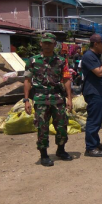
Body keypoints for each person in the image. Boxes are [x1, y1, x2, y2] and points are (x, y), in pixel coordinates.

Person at [23, 33, 73, 167]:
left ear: (54, 44)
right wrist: (26, 100)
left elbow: (66, 79)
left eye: (49, 43)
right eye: (44, 42)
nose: (47, 45)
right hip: (40, 98)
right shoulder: (33, 61)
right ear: (40, 43)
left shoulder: (61, 61)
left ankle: (61, 150)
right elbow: (27, 80)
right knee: (42, 128)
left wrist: (69, 98)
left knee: (62, 126)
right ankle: (44, 155)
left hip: (57, 98)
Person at [81, 33, 102, 157]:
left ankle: (95, 142)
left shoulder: (95, 56)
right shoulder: (88, 56)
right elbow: (99, 72)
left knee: (98, 119)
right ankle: (91, 147)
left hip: (98, 91)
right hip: (93, 92)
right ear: (96, 44)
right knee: (93, 120)